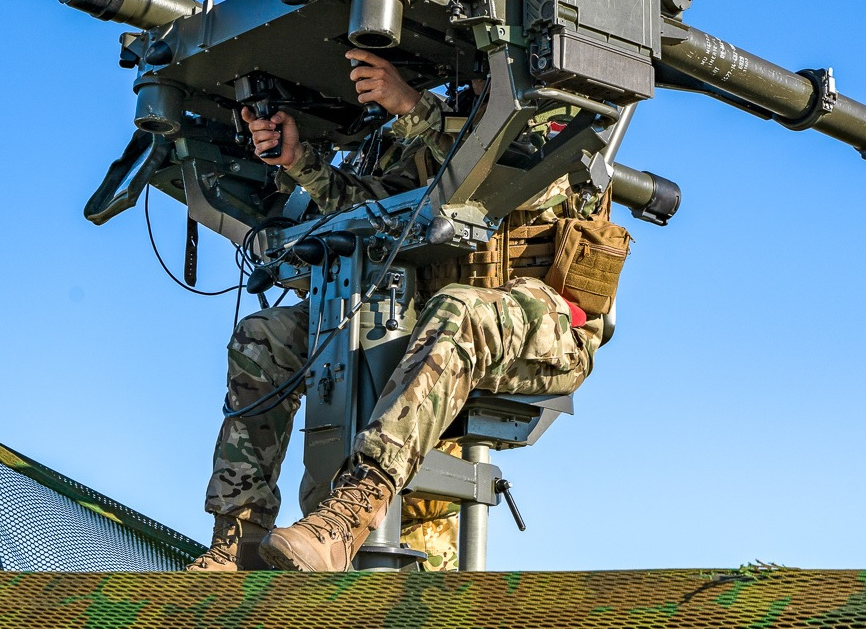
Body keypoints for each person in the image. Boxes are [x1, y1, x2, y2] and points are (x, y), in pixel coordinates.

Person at [188, 49, 628, 572]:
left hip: (551, 329)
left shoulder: (558, 121)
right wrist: (297, 160)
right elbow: (371, 205)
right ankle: (239, 538)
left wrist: (414, 107)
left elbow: (518, 177)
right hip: (441, 326)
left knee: (456, 309)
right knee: (265, 336)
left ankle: (349, 514)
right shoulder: (442, 138)